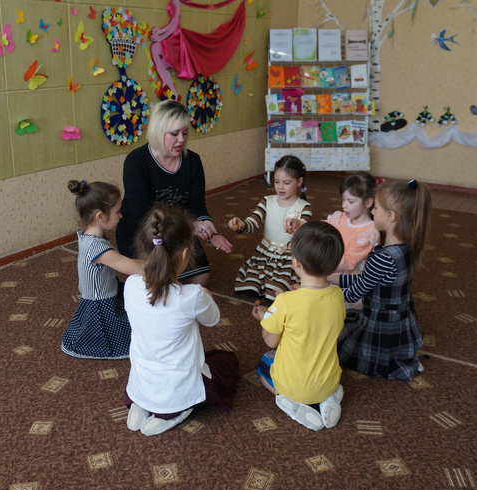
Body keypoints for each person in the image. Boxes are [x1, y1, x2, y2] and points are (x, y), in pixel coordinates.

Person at [124, 205, 239, 436]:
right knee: (227, 362)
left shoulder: (130, 284)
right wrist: (206, 296)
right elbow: (213, 319)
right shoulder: (191, 296)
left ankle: (141, 403)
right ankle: (174, 411)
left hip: (142, 380)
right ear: (186, 254)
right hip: (176, 387)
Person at [116, 99, 232, 285]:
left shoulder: (193, 161)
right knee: (158, 281)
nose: (181, 139)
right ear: (158, 131)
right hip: (143, 232)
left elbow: (197, 204)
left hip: (178, 230)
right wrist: (190, 226)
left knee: (200, 277)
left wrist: (206, 225)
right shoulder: (136, 161)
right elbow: (141, 213)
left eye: (185, 133)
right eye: (174, 134)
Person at [332, 178, 431, 381]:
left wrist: (320, 291)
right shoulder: (406, 247)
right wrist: (331, 278)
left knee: (338, 349)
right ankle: (403, 358)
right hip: (398, 320)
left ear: (391, 216)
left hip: (380, 325)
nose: (373, 211)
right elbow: (366, 279)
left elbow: (354, 292)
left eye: (376, 207)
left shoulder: (383, 257)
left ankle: (394, 364)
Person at [252, 221, 346, 431]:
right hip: (329, 381)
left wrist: (266, 316)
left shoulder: (285, 302)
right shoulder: (338, 296)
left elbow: (270, 341)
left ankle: (287, 399)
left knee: (263, 365)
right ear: (335, 264)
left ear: (295, 262)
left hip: (293, 385)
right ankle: (329, 398)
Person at [60, 180, 142, 360]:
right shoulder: (97, 249)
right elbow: (134, 268)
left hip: (107, 293)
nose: (121, 215)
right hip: (100, 307)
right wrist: (162, 263)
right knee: (136, 334)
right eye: (117, 211)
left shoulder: (87, 235)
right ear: (100, 216)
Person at [228, 155, 312, 300]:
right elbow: (253, 222)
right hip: (265, 252)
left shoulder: (304, 206)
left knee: (280, 284)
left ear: (299, 182)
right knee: (250, 282)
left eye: (286, 182)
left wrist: (298, 224)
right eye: (276, 181)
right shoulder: (267, 201)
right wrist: (241, 225)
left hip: (289, 255)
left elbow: (305, 228)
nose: (280, 187)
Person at [286, 171, 379, 275]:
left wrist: (313, 261)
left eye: (351, 201)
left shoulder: (369, 233)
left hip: (341, 279)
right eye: (343, 200)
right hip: (324, 270)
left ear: (368, 202)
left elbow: (348, 263)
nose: (344, 205)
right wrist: (300, 224)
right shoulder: (339, 218)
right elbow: (319, 229)